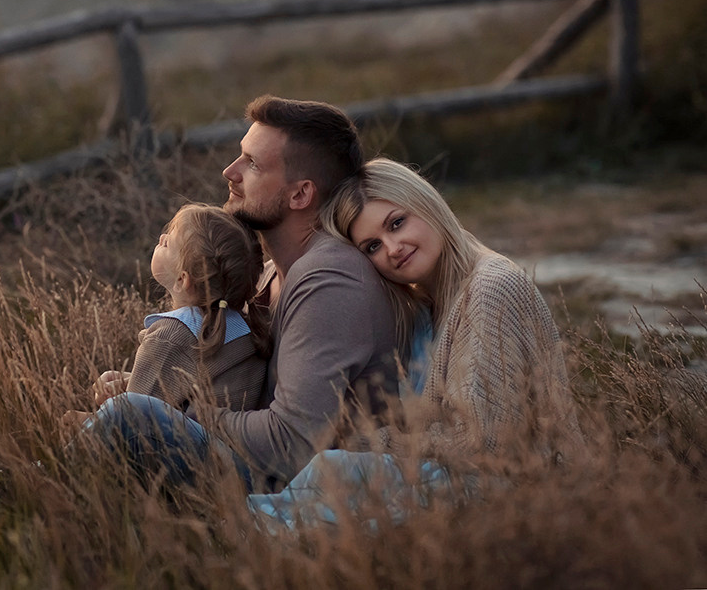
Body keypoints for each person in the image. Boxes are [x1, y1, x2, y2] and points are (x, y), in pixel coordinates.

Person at [81, 96, 401, 493]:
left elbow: (290, 443)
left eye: (251, 164)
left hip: (285, 482)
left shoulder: (329, 281)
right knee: (127, 411)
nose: (229, 172)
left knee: (126, 418)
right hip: (244, 457)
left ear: (300, 195)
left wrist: (176, 410)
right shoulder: (270, 275)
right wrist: (151, 388)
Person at [248, 157, 582, 529]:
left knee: (338, 469)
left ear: (425, 203)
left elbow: (485, 442)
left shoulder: (491, 288)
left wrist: (367, 442)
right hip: (457, 478)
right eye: (372, 246)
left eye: (397, 223)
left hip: (518, 492)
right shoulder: (427, 301)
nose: (392, 248)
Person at [63, 204, 270, 434]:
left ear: (182, 280)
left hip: (192, 459)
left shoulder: (171, 335)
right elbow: (191, 387)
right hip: (234, 452)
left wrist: (90, 421)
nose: (161, 237)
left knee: (70, 423)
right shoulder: (241, 326)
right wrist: (127, 382)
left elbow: (130, 422)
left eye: (167, 242)